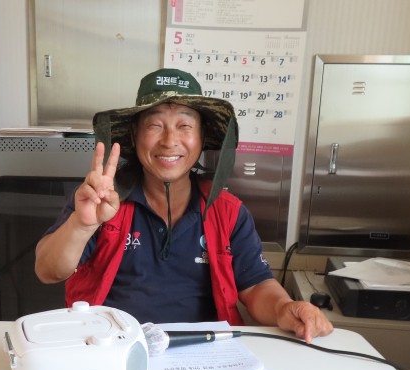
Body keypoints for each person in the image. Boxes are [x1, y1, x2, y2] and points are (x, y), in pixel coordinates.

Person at [35, 68, 333, 343]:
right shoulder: (101, 200)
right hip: (114, 349)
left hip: (203, 352)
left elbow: (255, 286)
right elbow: (48, 271)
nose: (169, 141)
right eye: (155, 125)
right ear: (135, 136)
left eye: (185, 125)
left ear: (202, 137)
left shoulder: (228, 212)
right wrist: (82, 225)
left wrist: (284, 307)